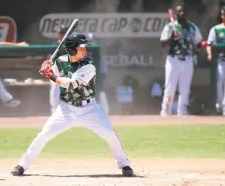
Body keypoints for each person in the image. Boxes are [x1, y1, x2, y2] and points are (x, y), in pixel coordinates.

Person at [10, 33, 134, 177]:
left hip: (89, 109)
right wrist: (46, 67)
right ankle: (22, 165)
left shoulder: (88, 66)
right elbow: (52, 72)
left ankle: (124, 164)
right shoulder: (61, 61)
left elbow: (71, 84)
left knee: (110, 134)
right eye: (81, 48)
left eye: (85, 48)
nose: (85, 50)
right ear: (71, 49)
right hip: (66, 109)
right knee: (43, 135)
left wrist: (51, 75)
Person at [159, 5, 203, 116]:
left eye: (183, 11)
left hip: (188, 60)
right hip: (173, 60)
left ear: (186, 13)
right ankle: (166, 111)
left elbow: (198, 42)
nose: (182, 13)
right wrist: (172, 38)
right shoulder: (170, 27)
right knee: (170, 87)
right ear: (175, 14)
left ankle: (182, 112)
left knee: (185, 89)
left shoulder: (192, 27)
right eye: (179, 12)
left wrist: (205, 44)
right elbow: (162, 43)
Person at [206, 5, 225, 116]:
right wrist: (209, 54)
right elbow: (209, 44)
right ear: (222, 15)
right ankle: (219, 107)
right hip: (220, 60)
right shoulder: (216, 29)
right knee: (219, 84)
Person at [86, 32, 110, 114]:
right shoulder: (81, 57)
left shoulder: (100, 57)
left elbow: (103, 74)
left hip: (97, 86)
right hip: (85, 87)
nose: (90, 43)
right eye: (88, 41)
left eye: (92, 41)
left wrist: (101, 87)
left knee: (104, 109)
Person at [49, 25, 69, 114]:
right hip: (57, 70)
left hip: (68, 71)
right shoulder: (55, 45)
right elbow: (52, 61)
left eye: (62, 33)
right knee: (55, 87)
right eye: (60, 33)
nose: (60, 35)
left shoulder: (71, 45)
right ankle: (55, 110)